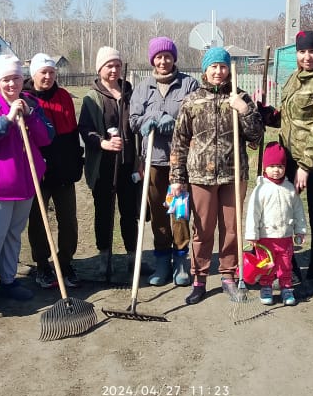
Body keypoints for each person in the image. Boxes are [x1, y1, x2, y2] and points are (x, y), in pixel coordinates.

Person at [170, 47, 264, 305]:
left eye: (222, 66)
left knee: (232, 229)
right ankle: (199, 278)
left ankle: (228, 276)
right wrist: (177, 177)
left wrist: (244, 110)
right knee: (202, 229)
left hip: (233, 175)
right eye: (213, 67)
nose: (218, 71)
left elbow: (257, 137)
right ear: (205, 70)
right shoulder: (192, 101)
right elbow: (179, 142)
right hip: (200, 175)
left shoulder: (240, 97)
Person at [0, 54, 55, 313]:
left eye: (15, 78)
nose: (11, 84)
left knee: (14, 235)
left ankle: (8, 280)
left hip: (25, 183)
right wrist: (6, 119)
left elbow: (47, 136)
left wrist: (31, 117)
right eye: (6, 79)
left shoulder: (30, 103)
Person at [261, 30, 313, 296]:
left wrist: (307, 167)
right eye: (302, 52)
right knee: (282, 214)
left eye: (312, 52)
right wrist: (267, 114)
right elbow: (290, 118)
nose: (306, 57)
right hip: (292, 158)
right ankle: (289, 270)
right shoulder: (295, 78)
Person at [128, 37, 199, 287]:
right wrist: (154, 116)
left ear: (174, 58)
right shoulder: (143, 87)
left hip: (179, 160)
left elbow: (195, 117)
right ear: (152, 60)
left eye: (167, 56)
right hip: (154, 161)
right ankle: (161, 259)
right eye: (158, 57)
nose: (163, 61)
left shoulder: (188, 84)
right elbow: (134, 120)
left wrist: (173, 119)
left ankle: (181, 259)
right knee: (158, 212)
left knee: (179, 211)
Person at [78, 46, 141, 282]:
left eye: (117, 65)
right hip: (104, 166)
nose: (113, 69)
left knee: (129, 212)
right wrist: (102, 144)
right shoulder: (92, 97)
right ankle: (104, 259)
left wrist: (139, 159)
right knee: (104, 212)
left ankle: (132, 258)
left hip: (128, 165)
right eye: (109, 66)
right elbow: (84, 129)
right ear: (100, 69)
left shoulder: (129, 93)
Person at [23, 53, 84, 289]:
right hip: (38, 173)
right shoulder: (25, 98)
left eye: (51, 72)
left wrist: (75, 164)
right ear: (34, 75)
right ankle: (42, 264)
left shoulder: (64, 97)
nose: (48, 76)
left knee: (68, 220)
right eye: (43, 72)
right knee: (38, 222)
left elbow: (71, 134)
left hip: (64, 171)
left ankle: (66, 261)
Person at [243, 142, 307, 306]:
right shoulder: (261, 190)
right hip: (265, 238)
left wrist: (300, 230)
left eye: (279, 166)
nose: (276, 170)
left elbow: (298, 211)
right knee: (267, 265)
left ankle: (286, 288)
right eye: (272, 166)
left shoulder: (290, 189)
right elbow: (253, 213)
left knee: (285, 264)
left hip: (285, 237)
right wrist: (252, 234)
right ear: (265, 168)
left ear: (285, 167)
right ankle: (266, 287)